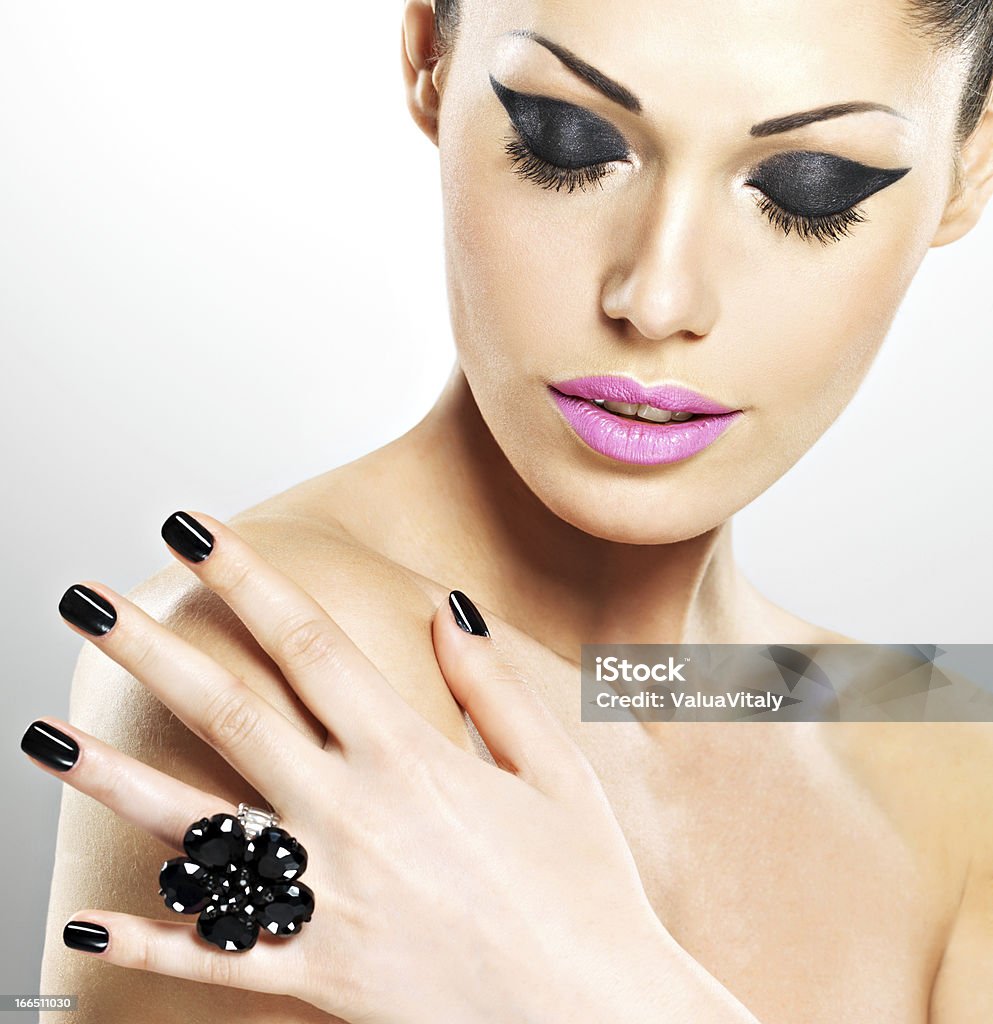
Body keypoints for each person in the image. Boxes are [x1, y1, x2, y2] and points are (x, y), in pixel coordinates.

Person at [25, 0, 993, 1020]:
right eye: (568, 142)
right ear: (431, 59)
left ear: (970, 165)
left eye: (809, 189)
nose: (657, 299)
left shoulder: (945, 742)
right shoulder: (288, 662)